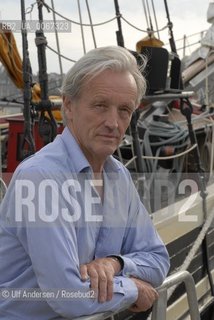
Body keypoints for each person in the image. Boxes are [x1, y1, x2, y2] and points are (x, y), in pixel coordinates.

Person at [0, 46, 169, 319]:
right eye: (100, 106)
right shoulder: (42, 178)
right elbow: (67, 295)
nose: (113, 123)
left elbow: (158, 261)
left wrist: (114, 264)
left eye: (124, 110)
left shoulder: (118, 177)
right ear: (68, 105)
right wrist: (134, 289)